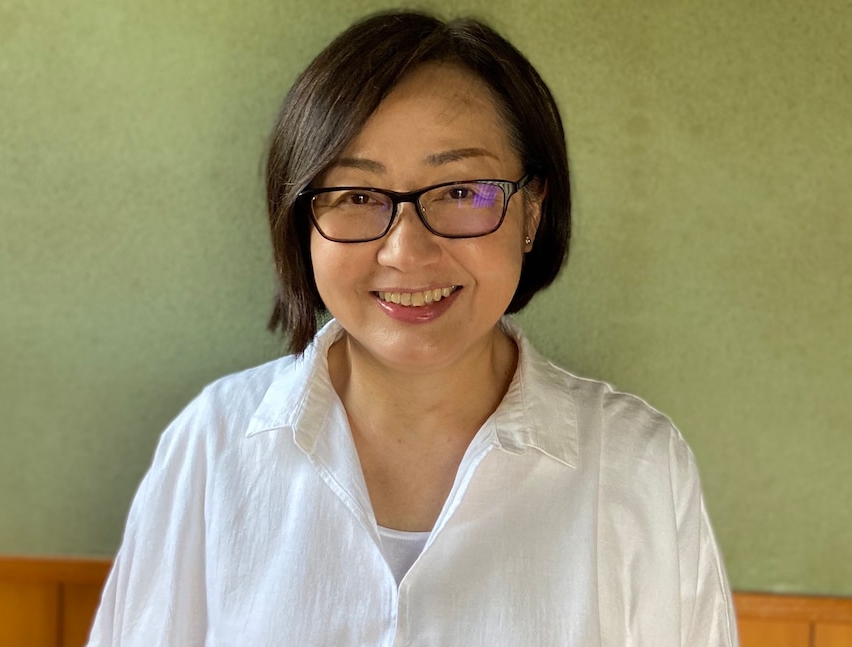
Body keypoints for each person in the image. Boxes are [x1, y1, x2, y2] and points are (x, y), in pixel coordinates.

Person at [88, 10, 738, 646]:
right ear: (301, 221)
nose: (406, 250)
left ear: (532, 211)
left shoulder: (636, 464)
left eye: (461, 191)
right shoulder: (212, 446)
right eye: (356, 196)